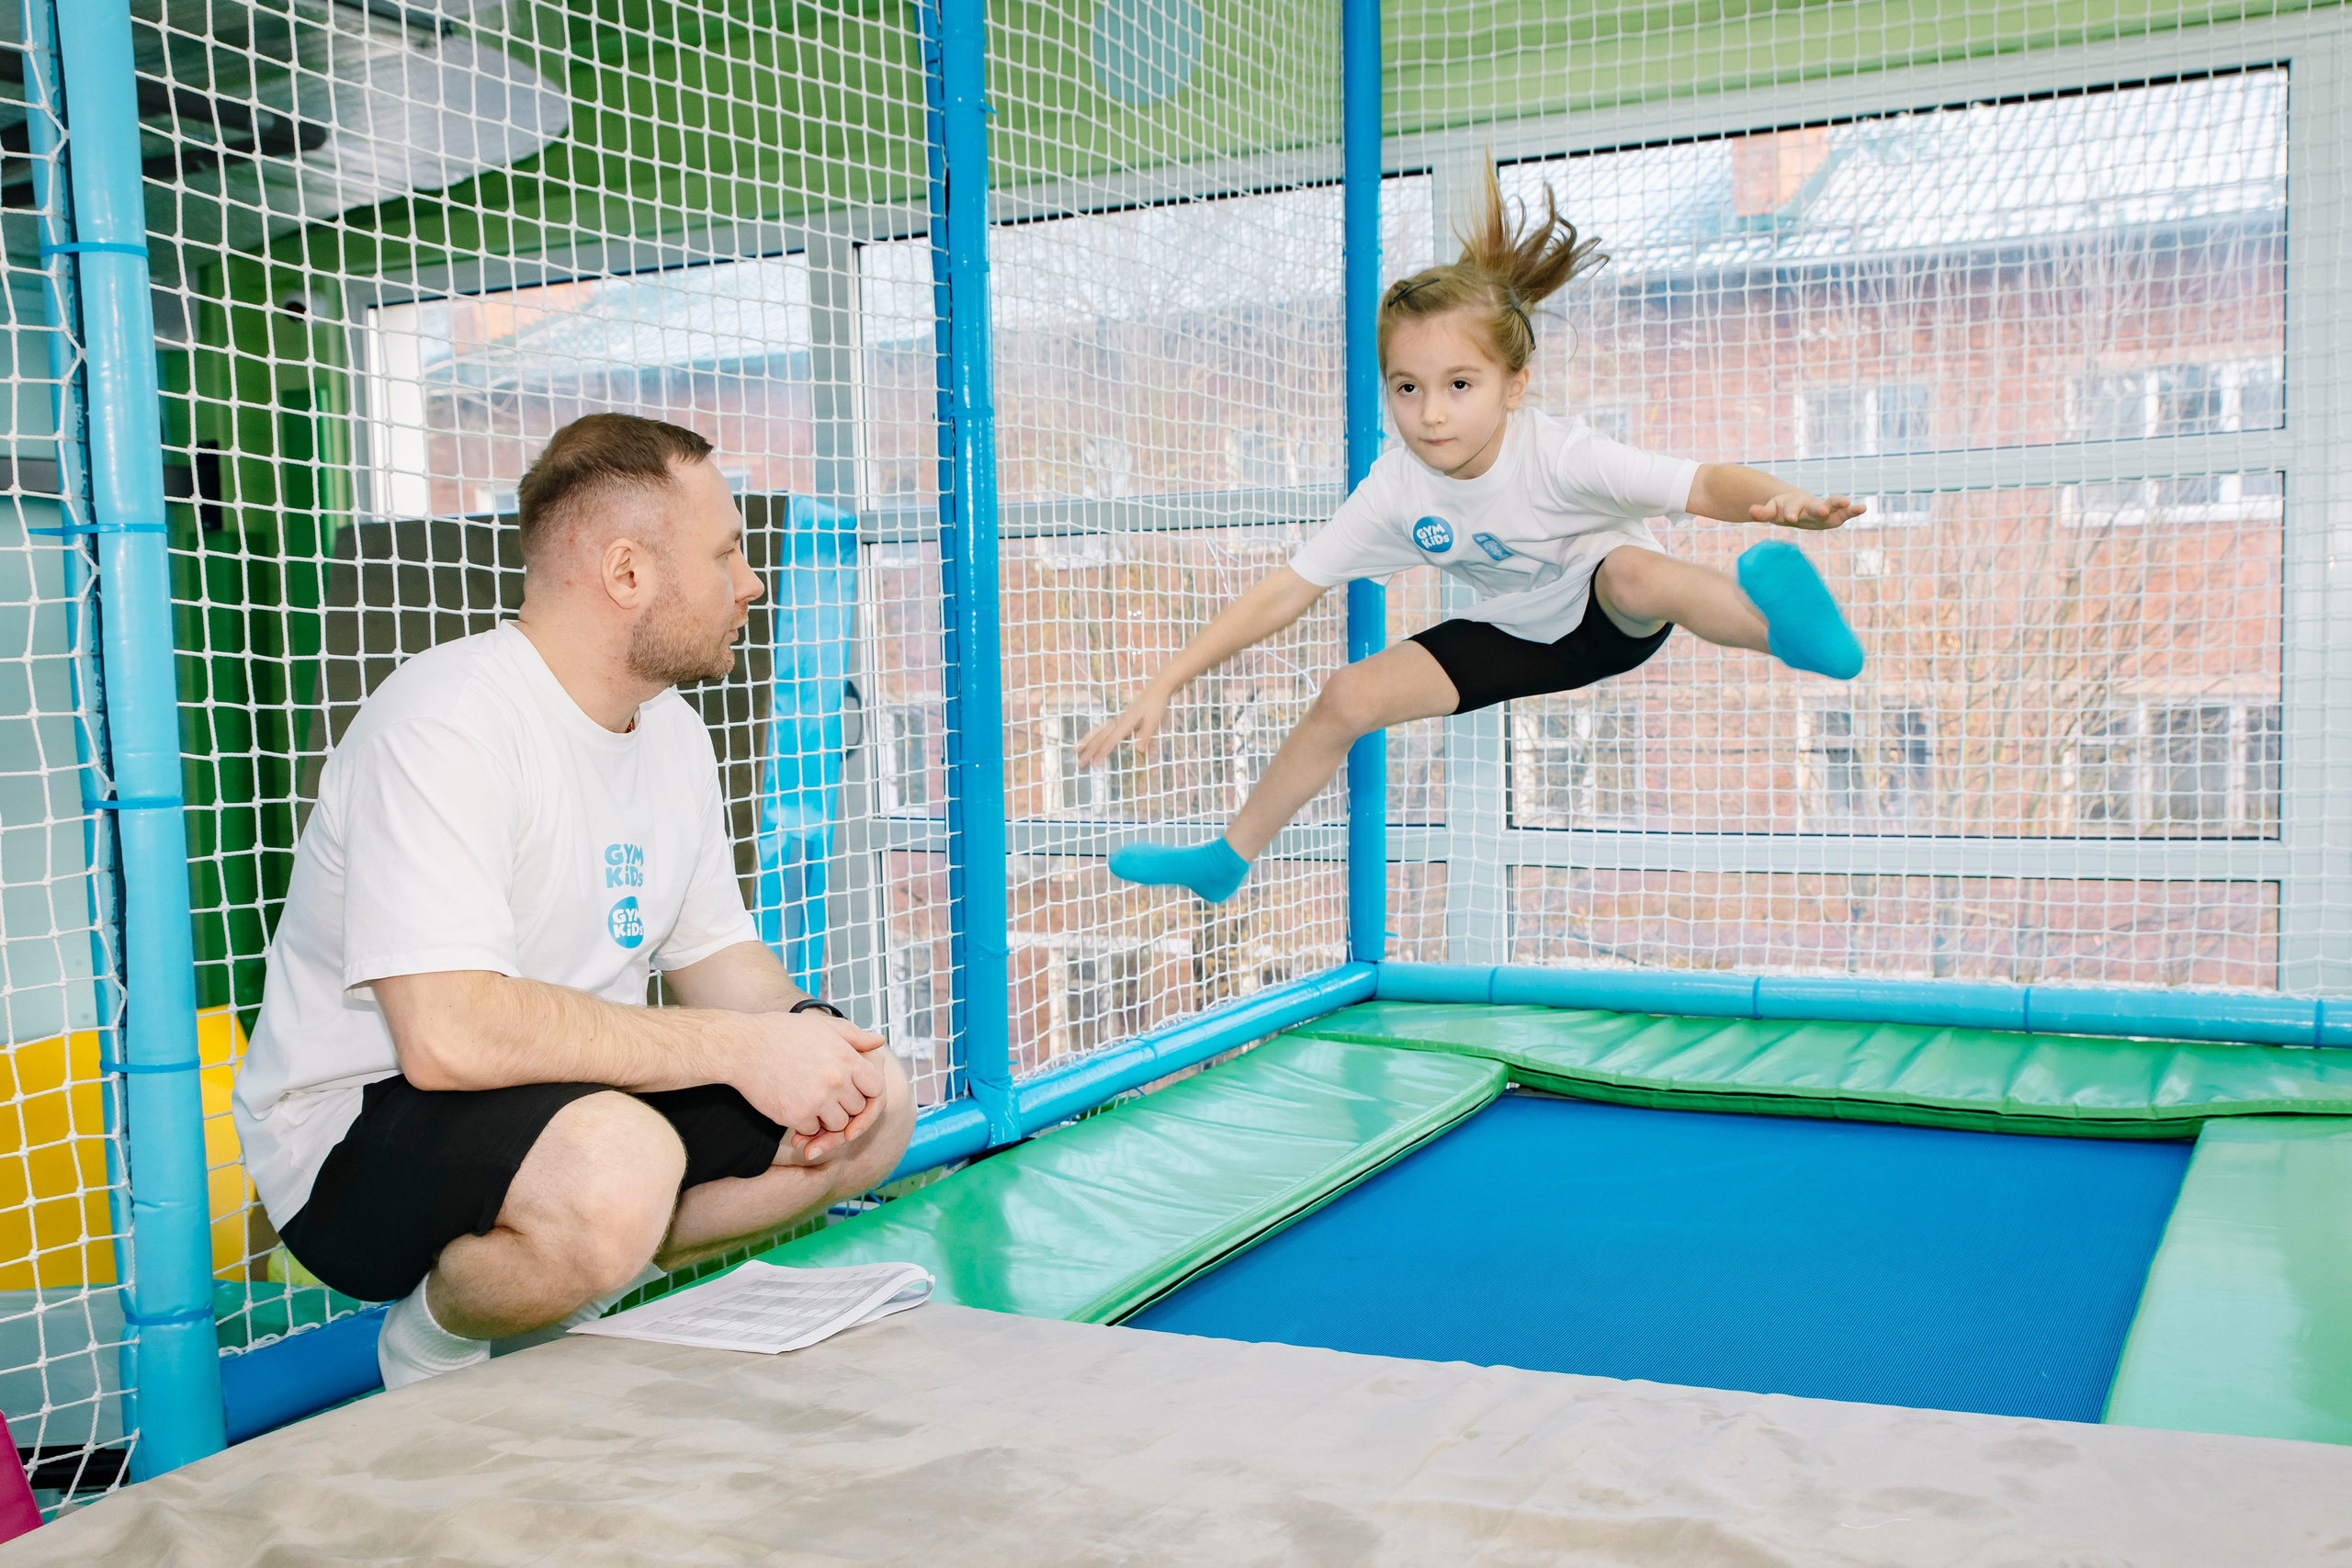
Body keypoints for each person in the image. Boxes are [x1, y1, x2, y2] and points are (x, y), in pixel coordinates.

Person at [232, 413, 912, 1390]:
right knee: (617, 1162)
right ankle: (436, 1339)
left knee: (877, 1102)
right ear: (627, 573)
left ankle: (569, 1285)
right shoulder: (447, 722)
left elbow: (725, 966)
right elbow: (450, 1037)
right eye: (725, 554)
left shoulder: (671, 730)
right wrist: (742, 1049)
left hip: (576, 1103)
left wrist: (810, 1044)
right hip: (356, 1138)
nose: (750, 583)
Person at [1083, 167, 1868, 903]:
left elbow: (1702, 484)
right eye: (1407, 387)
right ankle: (1227, 859)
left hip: (1607, 618)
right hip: (1514, 633)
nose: (1431, 413)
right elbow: (1288, 587)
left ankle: (1792, 636)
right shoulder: (1396, 485)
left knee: (1635, 572)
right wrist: (1165, 681)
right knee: (1346, 696)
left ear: (1513, 386)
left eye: (1460, 386)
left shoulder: (1560, 454)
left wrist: (1784, 500)